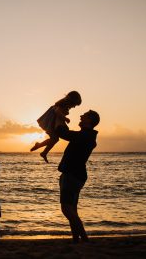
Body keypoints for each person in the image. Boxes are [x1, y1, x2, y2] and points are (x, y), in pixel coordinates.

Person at [56, 110, 100, 243]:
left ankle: (84, 238)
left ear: (90, 121)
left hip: (72, 175)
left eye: (84, 116)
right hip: (74, 175)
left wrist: (58, 117)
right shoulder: (85, 135)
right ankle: (76, 239)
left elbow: (63, 133)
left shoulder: (86, 136)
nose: (81, 116)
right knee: (72, 209)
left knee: (66, 208)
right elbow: (66, 133)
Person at [30, 91, 82, 163]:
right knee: (54, 139)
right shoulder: (62, 105)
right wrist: (65, 118)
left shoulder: (63, 105)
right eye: (74, 104)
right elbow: (57, 112)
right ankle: (42, 150)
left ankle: (42, 150)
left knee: (54, 139)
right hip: (53, 123)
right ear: (71, 101)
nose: (74, 106)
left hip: (55, 123)